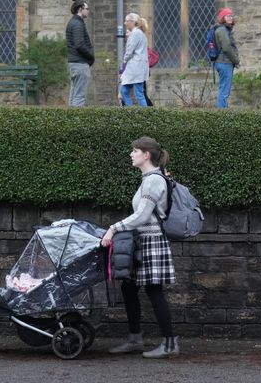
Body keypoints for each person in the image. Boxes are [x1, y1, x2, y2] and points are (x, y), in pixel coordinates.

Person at [100, 136, 178, 358]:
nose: (131, 154)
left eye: (135, 151)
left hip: (151, 241)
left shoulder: (153, 180)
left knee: (154, 292)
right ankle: (135, 339)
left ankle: (170, 344)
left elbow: (142, 215)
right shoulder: (150, 178)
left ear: (146, 155)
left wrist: (113, 228)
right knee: (129, 288)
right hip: (142, 241)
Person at [66, 0, 94, 107]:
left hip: (76, 63)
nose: (88, 11)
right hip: (80, 63)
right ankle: (76, 123)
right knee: (79, 96)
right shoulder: (77, 24)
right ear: (80, 9)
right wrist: (91, 57)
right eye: (87, 9)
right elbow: (79, 45)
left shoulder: (74, 22)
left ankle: (70, 121)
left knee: (74, 95)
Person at [119, 13, 150, 107]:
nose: (125, 23)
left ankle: (144, 116)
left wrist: (124, 61)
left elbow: (129, 50)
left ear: (132, 22)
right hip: (136, 67)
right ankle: (131, 112)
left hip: (136, 67)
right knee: (124, 91)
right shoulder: (139, 33)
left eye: (127, 21)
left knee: (139, 93)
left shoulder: (135, 33)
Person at [214, 7, 240, 109]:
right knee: (224, 90)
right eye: (228, 16)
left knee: (224, 89)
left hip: (225, 62)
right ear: (223, 18)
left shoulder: (225, 30)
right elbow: (227, 48)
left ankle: (224, 110)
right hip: (224, 63)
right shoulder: (222, 30)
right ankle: (222, 114)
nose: (230, 18)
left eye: (231, 16)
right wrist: (236, 60)